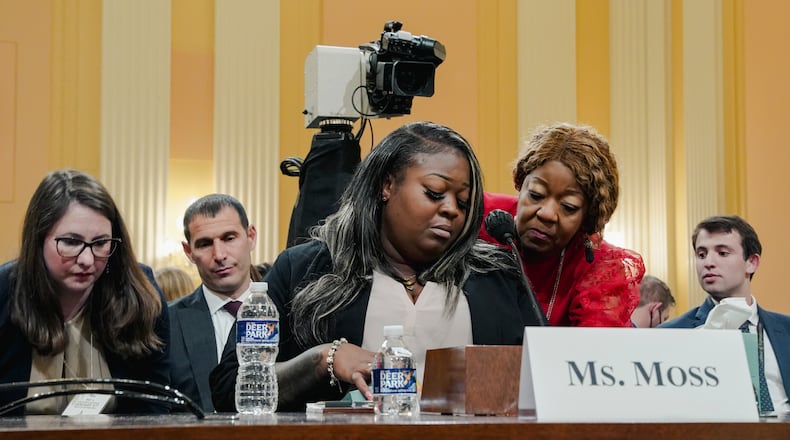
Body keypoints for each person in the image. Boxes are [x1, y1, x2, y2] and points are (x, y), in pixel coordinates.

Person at [210, 121, 538, 412]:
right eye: (434, 193)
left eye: (463, 202)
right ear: (387, 186)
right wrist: (321, 361)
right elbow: (228, 388)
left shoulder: (497, 277)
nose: (451, 209)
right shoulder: (306, 269)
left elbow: (545, 381)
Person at [0, 169, 170, 415]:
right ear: (38, 240)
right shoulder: (4, 293)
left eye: (101, 243)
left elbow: (155, 410)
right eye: (71, 242)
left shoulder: (140, 296)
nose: (88, 260)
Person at [480, 122, 645, 327]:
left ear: (587, 219)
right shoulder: (478, 216)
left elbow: (594, 351)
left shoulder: (600, 269)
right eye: (536, 195)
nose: (547, 214)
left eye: (569, 207)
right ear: (520, 184)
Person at [661, 215, 790, 412]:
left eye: (722, 253)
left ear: (751, 262)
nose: (709, 262)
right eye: (701, 254)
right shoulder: (671, 335)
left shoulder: (786, 330)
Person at [168, 194, 261, 413]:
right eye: (204, 244)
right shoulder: (165, 324)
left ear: (251, 237)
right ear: (188, 252)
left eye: (229, 238)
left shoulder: (288, 314)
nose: (219, 255)